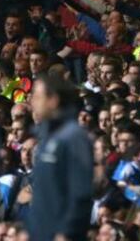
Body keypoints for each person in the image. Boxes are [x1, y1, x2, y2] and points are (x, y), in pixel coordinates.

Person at [27, 73, 94, 241]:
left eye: (37, 96)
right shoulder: (46, 136)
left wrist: (67, 232)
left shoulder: (73, 136)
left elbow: (81, 191)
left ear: (53, 100)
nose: (32, 101)